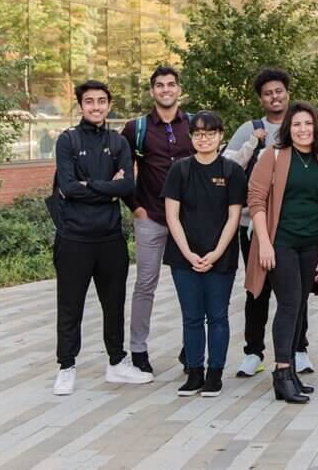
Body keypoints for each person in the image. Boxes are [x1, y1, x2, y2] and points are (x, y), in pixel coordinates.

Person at [51, 80, 151, 396]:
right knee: (70, 306)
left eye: (102, 101)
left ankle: (117, 363)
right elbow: (67, 187)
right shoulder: (67, 141)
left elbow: (127, 187)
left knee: (114, 304)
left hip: (110, 238)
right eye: (90, 101)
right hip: (74, 238)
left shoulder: (118, 142)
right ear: (80, 105)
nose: (96, 106)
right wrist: (106, 186)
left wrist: (90, 186)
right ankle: (66, 366)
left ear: (109, 105)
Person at [224, 69, 316, 378]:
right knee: (257, 289)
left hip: (297, 226)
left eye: (279, 91)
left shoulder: (303, 126)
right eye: (268, 93)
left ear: (287, 93)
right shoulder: (251, 129)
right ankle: (254, 351)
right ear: (261, 99)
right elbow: (227, 166)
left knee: (298, 291)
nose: (274, 97)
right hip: (255, 226)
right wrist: (253, 142)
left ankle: (298, 348)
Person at [245, 102, 318, 404]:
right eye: (297, 124)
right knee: (289, 302)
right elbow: (256, 199)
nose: (303, 129)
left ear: (316, 126)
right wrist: (265, 243)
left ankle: (292, 372)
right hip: (280, 242)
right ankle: (281, 372)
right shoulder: (275, 154)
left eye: (308, 123)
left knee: (299, 308)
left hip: (311, 243)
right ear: (288, 128)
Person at [162, 111, 246, 397]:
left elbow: (233, 217)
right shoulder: (180, 170)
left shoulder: (232, 171)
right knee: (192, 317)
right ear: (191, 138)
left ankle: (215, 373)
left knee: (218, 316)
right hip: (183, 257)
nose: (204, 138)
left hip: (220, 257)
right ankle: (194, 372)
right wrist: (187, 253)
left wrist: (216, 252)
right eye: (198, 133)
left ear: (221, 135)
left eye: (210, 133)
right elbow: (171, 216)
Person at [120, 66, 194, 376]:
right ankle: (138, 351)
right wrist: (136, 208)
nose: (166, 90)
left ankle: (192, 347)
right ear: (152, 91)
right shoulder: (136, 128)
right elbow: (123, 172)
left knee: (192, 285)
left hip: (189, 221)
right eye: (160, 85)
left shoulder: (193, 124)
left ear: (179, 90)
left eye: (171, 85)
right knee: (145, 284)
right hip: (151, 216)